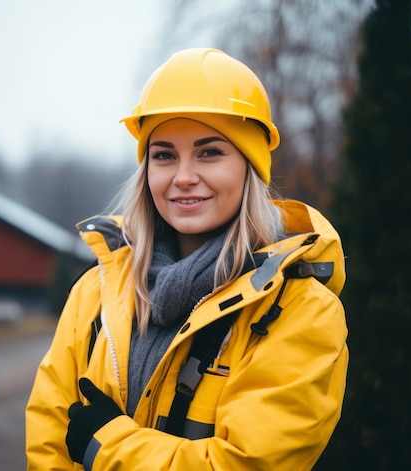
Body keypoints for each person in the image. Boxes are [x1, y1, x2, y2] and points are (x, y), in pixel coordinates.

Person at [25, 47, 348, 470]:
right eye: (164, 155)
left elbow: (248, 463)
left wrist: (108, 448)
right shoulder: (97, 291)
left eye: (209, 152)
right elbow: (48, 440)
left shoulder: (301, 311)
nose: (182, 177)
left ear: (249, 168)